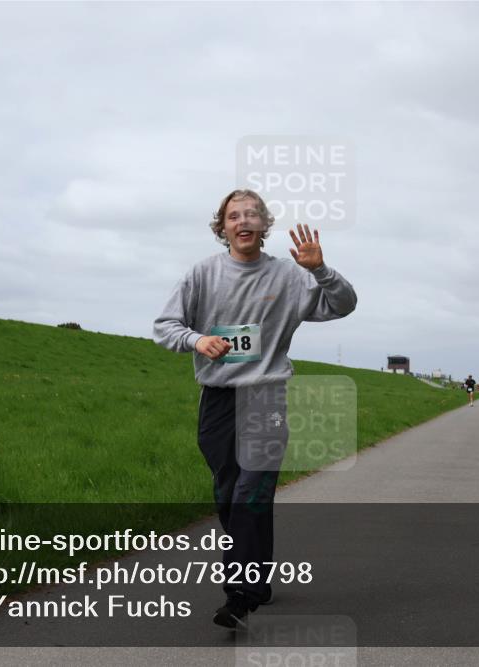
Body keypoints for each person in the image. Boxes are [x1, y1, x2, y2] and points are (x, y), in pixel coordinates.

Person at [153, 189, 357, 629]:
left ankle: (239, 598)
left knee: (249, 494)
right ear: (222, 226)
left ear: (264, 226)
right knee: (233, 497)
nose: (243, 221)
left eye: (252, 215)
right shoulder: (201, 275)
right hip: (218, 400)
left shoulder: (290, 276)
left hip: (266, 397)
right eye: (233, 216)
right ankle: (257, 580)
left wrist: (320, 270)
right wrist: (198, 340)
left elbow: (343, 305)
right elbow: (165, 326)